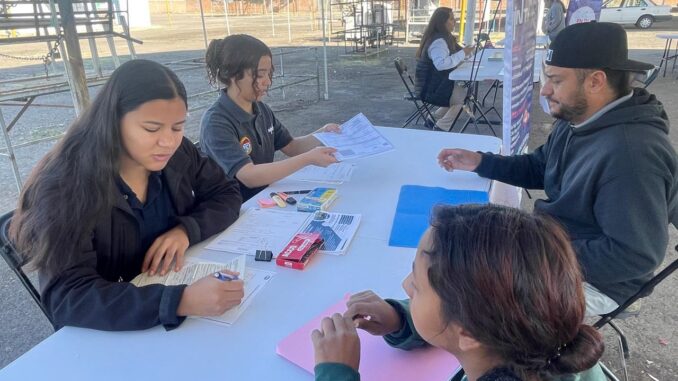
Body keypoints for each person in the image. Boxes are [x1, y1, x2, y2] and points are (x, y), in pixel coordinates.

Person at [437, 22, 678, 315]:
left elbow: (632, 255)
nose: (546, 89)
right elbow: (541, 167)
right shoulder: (580, 116)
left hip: (595, 282)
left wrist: (532, 253)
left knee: (473, 302)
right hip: (552, 244)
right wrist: (482, 162)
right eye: (545, 77)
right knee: (456, 242)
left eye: (556, 80)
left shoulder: (632, 155)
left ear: (596, 81)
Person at [9, 59, 245, 331]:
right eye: (151, 129)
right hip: (112, 331)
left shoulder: (176, 155)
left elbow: (226, 192)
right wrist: (178, 300)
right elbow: (68, 296)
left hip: (171, 297)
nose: (168, 141)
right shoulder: (65, 186)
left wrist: (186, 231)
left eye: (178, 127)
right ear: (113, 121)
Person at [312, 204, 606, 381]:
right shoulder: (545, 341)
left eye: (417, 282)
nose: (406, 285)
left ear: (469, 333)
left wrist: (336, 373)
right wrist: (402, 319)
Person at [200, 34, 341, 201]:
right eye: (260, 75)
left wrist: (323, 134)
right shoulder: (217, 122)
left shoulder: (261, 110)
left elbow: (292, 146)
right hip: (234, 211)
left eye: (269, 73)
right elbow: (249, 176)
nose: (267, 81)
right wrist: (308, 158)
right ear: (232, 74)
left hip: (265, 199)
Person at [414, 7, 474, 131]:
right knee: (461, 98)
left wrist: (465, 52)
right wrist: (463, 53)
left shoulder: (445, 37)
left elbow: (457, 54)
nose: (455, 22)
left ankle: (433, 119)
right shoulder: (439, 42)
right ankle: (441, 127)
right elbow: (441, 64)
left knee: (461, 92)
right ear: (442, 22)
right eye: (452, 19)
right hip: (431, 88)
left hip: (436, 84)